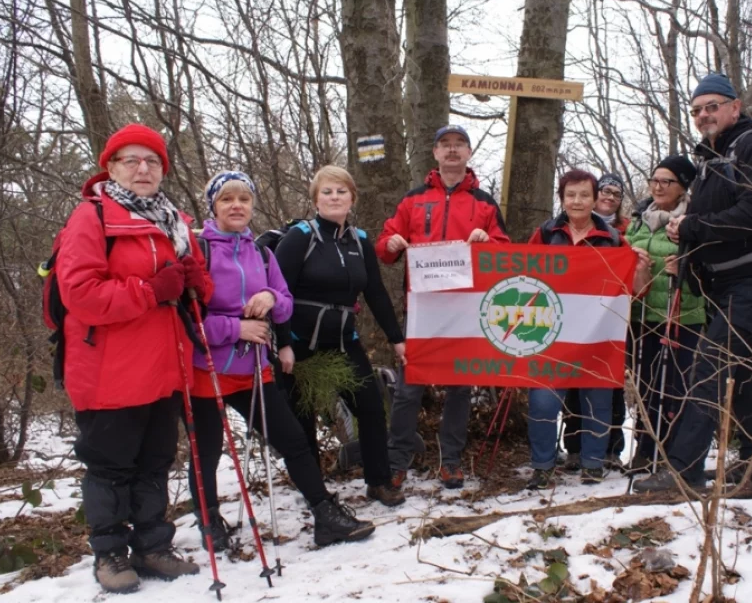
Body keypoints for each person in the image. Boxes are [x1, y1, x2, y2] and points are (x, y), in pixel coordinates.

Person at [55, 124, 208, 593]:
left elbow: (194, 284)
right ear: (112, 167)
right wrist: (149, 290)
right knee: (110, 465)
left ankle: (152, 545)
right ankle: (109, 553)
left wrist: (194, 284)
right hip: (109, 369)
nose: (143, 169)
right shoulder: (92, 217)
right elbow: (80, 293)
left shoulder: (174, 222)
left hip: (164, 366)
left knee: (155, 460)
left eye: (153, 161)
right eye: (131, 161)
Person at [187, 170, 375, 552]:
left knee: (293, 441)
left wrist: (271, 299)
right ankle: (209, 522)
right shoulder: (198, 252)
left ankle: (325, 514)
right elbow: (186, 318)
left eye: (244, 199)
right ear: (214, 206)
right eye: (227, 199)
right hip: (206, 369)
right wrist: (234, 328)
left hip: (254, 369)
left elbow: (286, 301)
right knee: (205, 451)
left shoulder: (261, 252)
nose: (237, 206)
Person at [633, 73, 752, 493]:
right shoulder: (711, 157)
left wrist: (693, 225)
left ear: (734, 108)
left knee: (709, 367)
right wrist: (687, 233)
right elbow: (713, 222)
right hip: (725, 282)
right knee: (742, 370)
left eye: (712, 106)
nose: (704, 115)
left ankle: (683, 472)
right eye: (697, 109)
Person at [376, 125, 510, 490]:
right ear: (434, 153)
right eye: (445, 145)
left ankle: (450, 459)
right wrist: (394, 243)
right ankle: (397, 459)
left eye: (459, 145)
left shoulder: (484, 202)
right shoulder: (413, 199)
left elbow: (505, 251)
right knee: (408, 387)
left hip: (466, 309)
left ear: (468, 153)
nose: (452, 151)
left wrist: (487, 242)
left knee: (460, 387)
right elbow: (385, 245)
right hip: (422, 307)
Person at [274, 165, 407, 507]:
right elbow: (276, 291)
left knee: (371, 407)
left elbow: (375, 291)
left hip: (343, 341)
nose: (334, 198)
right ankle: (314, 491)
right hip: (300, 344)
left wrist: (396, 337)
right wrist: (284, 343)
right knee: (302, 417)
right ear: (316, 199)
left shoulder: (359, 241)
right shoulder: (299, 237)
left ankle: (378, 481)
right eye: (327, 192)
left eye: (341, 191)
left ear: (352, 197)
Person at [524, 170, 651, 489]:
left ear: (595, 199)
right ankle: (542, 465)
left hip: (598, 332)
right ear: (562, 199)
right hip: (550, 333)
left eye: (584, 195)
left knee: (598, 400)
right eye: (571, 195)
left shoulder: (613, 238)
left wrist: (641, 270)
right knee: (542, 401)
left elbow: (635, 291)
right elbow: (522, 272)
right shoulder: (546, 232)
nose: (577, 201)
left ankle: (593, 463)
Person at [624, 156, 705, 474]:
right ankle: (645, 451)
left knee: (677, 387)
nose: (658, 186)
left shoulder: (695, 218)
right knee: (646, 388)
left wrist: (685, 268)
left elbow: (707, 268)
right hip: (642, 316)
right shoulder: (639, 218)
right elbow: (622, 255)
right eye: (654, 180)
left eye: (667, 181)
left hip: (683, 317)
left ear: (683, 185)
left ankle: (676, 456)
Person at [562, 172, 630, 471]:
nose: (609, 197)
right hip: (567, 320)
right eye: (605, 191)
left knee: (607, 388)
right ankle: (575, 447)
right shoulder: (556, 228)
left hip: (606, 321)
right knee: (572, 388)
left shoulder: (621, 233)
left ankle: (610, 449)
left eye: (616, 193)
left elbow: (630, 276)